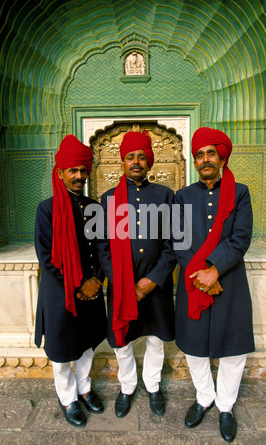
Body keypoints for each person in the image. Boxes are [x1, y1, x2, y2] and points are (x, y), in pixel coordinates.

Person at [173, 127, 255, 442]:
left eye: (211, 153)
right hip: (194, 282)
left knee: (233, 350)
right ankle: (205, 396)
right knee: (194, 346)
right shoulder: (183, 196)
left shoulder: (240, 192)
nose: (205, 159)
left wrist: (215, 271)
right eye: (199, 155)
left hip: (229, 281)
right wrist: (201, 275)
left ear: (221, 156)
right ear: (194, 161)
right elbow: (177, 241)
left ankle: (225, 406)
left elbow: (240, 237)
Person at [97, 130, 176, 418]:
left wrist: (153, 279)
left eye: (142, 156)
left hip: (156, 285)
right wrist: (124, 284)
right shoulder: (107, 200)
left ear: (149, 162)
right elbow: (103, 248)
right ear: (122, 162)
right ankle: (127, 386)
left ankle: (152, 385)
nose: (136, 161)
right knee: (123, 340)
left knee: (155, 339)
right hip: (122, 286)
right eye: (130, 156)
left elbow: (173, 243)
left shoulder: (166, 196)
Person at [34, 135, 107, 428]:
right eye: (72, 171)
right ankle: (67, 398)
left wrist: (96, 281)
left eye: (83, 170)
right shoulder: (47, 209)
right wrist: (78, 285)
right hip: (61, 291)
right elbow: (46, 256)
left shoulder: (95, 207)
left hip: (91, 289)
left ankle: (84, 388)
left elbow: (104, 248)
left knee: (88, 342)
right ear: (61, 173)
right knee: (62, 348)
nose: (79, 176)